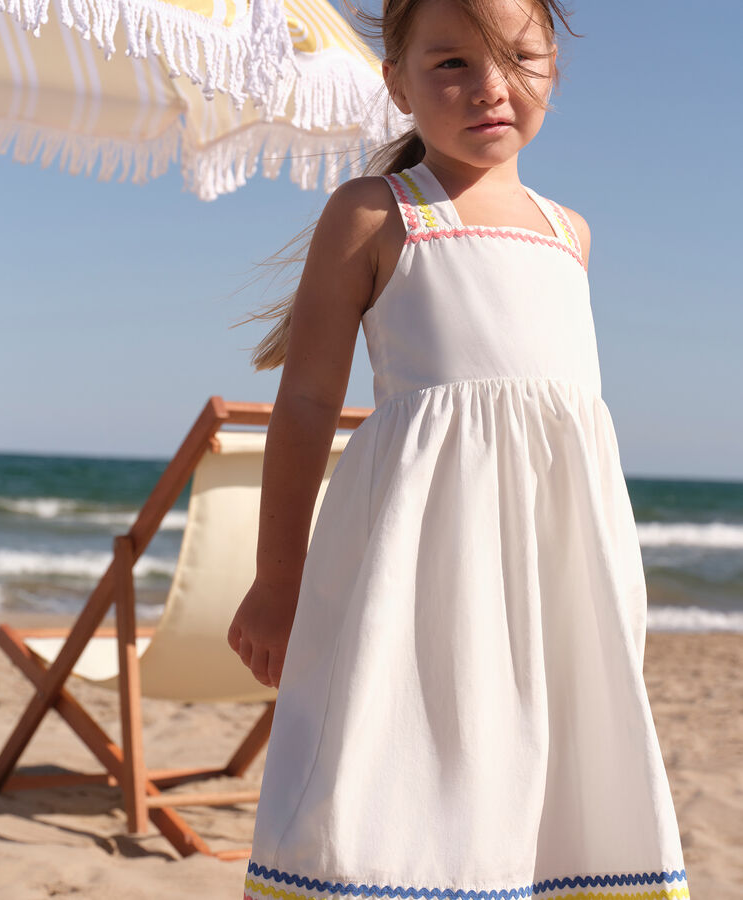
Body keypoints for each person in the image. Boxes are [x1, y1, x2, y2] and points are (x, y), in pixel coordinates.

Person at [228, 0, 691, 896]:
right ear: (396, 83)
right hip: (421, 560)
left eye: (521, 58)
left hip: (560, 568)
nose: (491, 87)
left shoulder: (570, 234)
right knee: (397, 765)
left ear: (554, 69)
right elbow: (309, 400)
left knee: (556, 776)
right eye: (451, 65)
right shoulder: (376, 213)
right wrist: (277, 577)